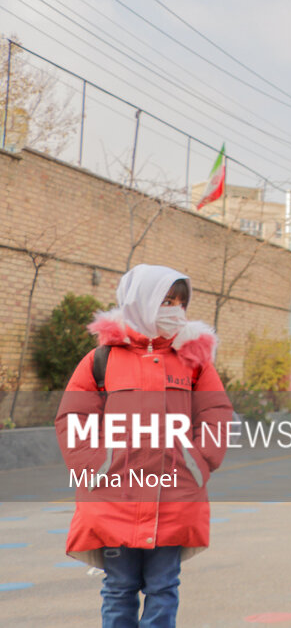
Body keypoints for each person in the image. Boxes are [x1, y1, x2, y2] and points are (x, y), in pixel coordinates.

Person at [56, 264, 232, 628]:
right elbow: (74, 418)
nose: (174, 311)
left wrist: (196, 462)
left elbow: (216, 413)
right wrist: (96, 466)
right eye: (166, 300)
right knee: (119, 587)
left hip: (173, 498)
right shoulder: (101, 360)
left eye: (180, 303)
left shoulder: (193, 362)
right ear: (141, 302)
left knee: (164, 587)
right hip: (113, 498)